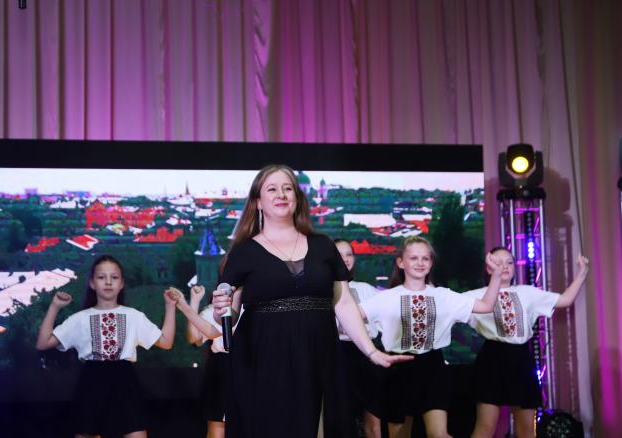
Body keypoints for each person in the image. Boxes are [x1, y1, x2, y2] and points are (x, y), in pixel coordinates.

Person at [211, 164, 411, 438]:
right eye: (272, 189)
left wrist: (371, 352)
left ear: (297, 197)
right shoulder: (244, 252)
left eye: (287, 188)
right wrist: (220, 310)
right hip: (263, 360)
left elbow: (343, 304)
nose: (281, 194)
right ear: (258, 201)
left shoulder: (323, 246)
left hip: (319, 355)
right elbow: (230, 313)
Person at [358, 236, 503, 438]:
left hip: (433, 366)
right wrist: (370, 348)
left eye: (425, 258)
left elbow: (486, 306)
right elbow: (351, 316)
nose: (420, 263)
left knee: (439, 434)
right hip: (399, 368)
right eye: (413, 258)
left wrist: (496, 276)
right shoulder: (386, 297)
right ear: (401, 262)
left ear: (431, 263)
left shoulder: (443, 296)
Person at [36, 255, 179, 438]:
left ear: (122, 283)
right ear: (92, 283)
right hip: (92, 382)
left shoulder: (133, 316)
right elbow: (43, 343)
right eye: (101, 277)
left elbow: (166, 342)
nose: (108, 282)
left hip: (125, 382)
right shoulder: (79, 319)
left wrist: (170, 307)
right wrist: (55, 307)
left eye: (114, 277)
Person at [466, 247, 589, 438]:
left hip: (521, 360)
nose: (505, 266)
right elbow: (446, 306)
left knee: (526, 430)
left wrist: (582, 273)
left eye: (509, 262)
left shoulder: (527, 292)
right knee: (486, 428)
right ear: (489, 268)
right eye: (498, 262)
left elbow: (564, 300)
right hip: (492, 360)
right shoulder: (474, 295)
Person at [334, 239, 384, 438]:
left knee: (373, 421)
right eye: (340, 255)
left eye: (349, 254)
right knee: (340, 420)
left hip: (366, 355)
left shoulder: (367, 290)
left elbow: (385, 320)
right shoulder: (320, 291)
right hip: (335, 356)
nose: (345, 259)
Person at [169, 284, 232, 438]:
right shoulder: (214, 309)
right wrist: (194, 301)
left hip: (250, 367)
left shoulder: (255, 307)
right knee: (218, 425)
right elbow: (195, 338)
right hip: (222, 368)